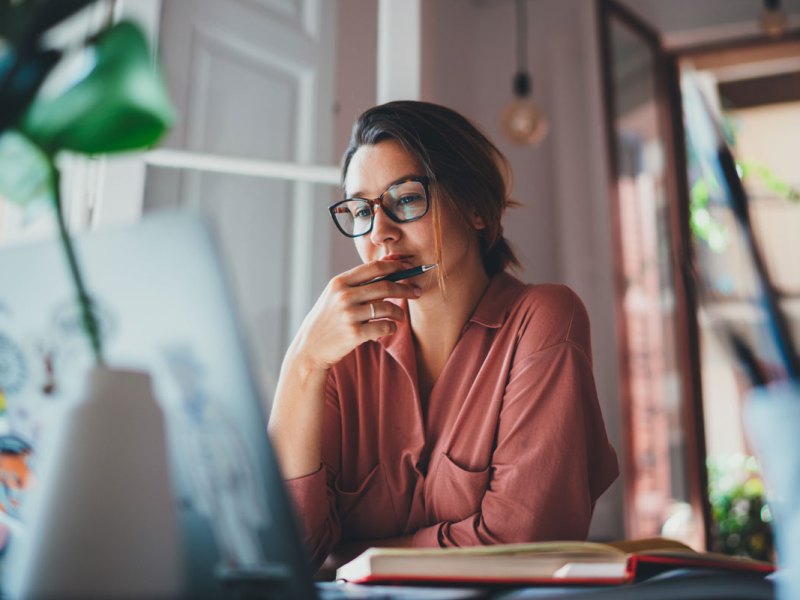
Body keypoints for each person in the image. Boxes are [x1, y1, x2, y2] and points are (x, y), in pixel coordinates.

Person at [268, 100, 619, 572]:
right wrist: (303, 363)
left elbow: (521, 543)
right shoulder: (339, 353)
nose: (381, 235)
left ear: (475, 207)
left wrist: (350, 557)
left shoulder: (543, 319)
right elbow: (284, 552)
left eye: (406, 198)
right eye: (361, 210)